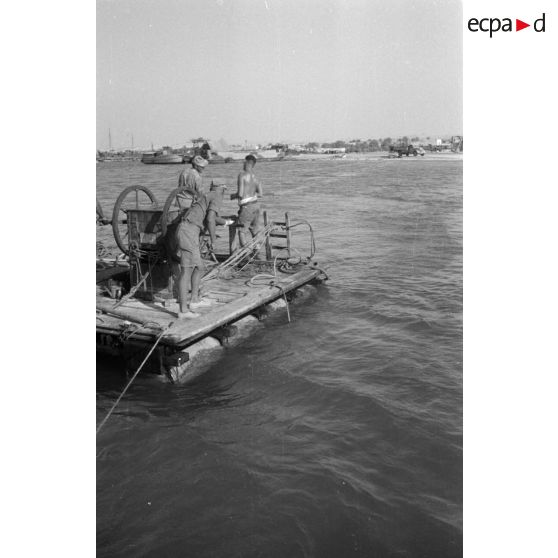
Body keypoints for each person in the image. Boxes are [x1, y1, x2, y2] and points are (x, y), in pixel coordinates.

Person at [175, 179, 232, 319]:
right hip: (188, 232)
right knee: (186, 271)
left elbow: (211, 217)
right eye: (224, 191)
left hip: (188, 231)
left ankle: (194, 300)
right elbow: (211, 219)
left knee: (199, 267)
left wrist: (226, 222)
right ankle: (183, 311)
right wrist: (213, 239)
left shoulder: (207, 196)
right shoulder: (217, 196)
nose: (224, 194)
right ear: (221, 189)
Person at [236, 154, 263, 247]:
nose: (243, 163)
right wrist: (251, 196)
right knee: (255, 231)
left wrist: (233, 195)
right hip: (256, 206)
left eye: (244, 161)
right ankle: (257, 253)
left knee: (241, 231)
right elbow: (260, 194)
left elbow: (240, 194)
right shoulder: (256, 177)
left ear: (247, 163)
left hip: (247, 206)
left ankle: (245, 254)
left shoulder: (242, 175)